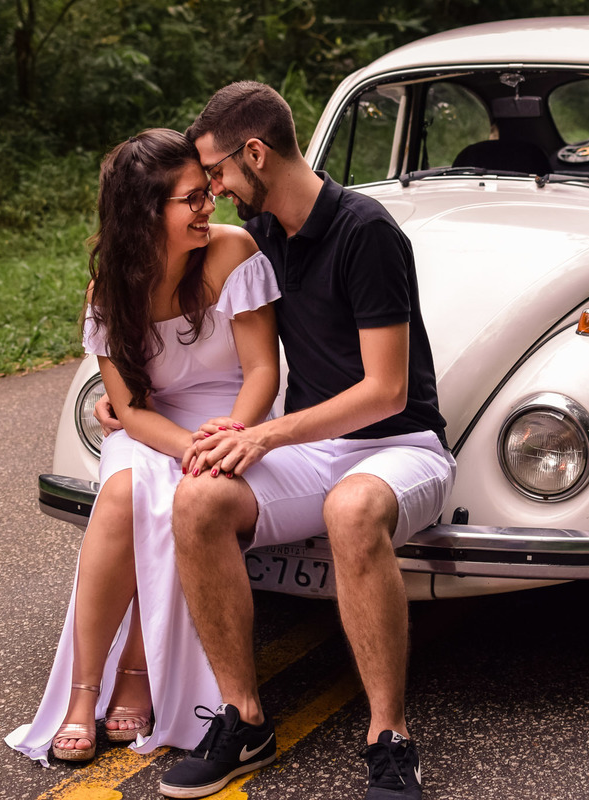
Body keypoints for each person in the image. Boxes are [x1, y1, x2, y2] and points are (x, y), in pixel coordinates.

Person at [147, 81, 454, 800]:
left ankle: (390, 737)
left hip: (403, 444)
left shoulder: (365, 231)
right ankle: (245, 719)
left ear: (255, 153)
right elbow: (164, 291)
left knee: (351, 510)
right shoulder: (265, 239)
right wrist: (129, 397)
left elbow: (386, 390)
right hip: (320, 449)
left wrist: (269, 433)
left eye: (218, 172)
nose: (215, 191)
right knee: (198, 500)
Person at [5, 128, 281, 766]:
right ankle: (83, 694)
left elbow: (263, 372)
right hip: (154, 425)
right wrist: (188, 444)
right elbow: (127, 409)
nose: (209, 203)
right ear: (145, 212)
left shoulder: (232, 252)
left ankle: (140, 675)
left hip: (238, 417)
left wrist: (228, 439)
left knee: (185, 499)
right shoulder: (111, 291)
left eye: (206, 190)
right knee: (127, 490)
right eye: (191, 198)